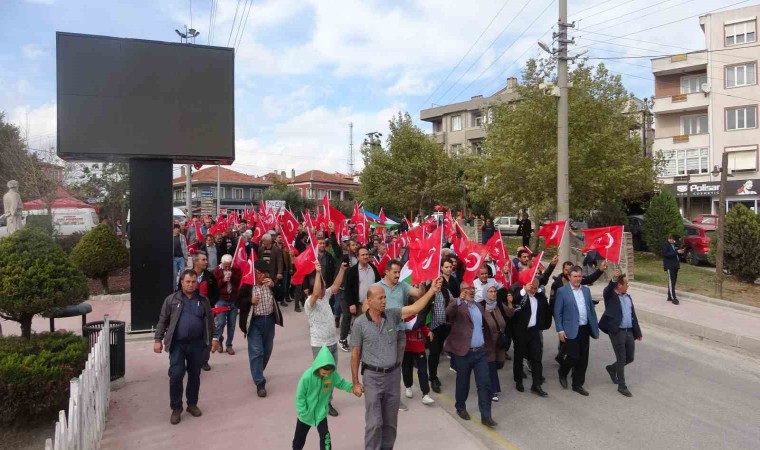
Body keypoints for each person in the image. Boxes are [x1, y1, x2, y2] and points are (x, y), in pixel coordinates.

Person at [350, 278, 442, 450]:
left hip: (392, 377)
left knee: (390, 425)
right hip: (372, 377)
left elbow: (415, 308)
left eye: (385, 297)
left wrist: (431, 291)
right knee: (374, 423)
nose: (384, 301)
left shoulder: (392, 315)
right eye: (380, 298)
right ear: (369, 301)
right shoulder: (360, 323)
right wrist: (355, 382)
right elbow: (355, 355)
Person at [153, 269, 217, 425]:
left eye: (193, 282)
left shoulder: (203, 301)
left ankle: (192, 404)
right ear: (181, 282)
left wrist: (214, 338)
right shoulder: (171, 300)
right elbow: (163, 321)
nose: (190, 284)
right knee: (176, 375)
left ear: (197, 283)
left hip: (197, 344)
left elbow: (210, 322)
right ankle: (176, 408)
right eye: (187, 281)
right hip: (177, 344)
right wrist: (157, 339)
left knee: (195, 375)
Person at [444, 280, 497, 428]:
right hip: (463, 353)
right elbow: (448, 313)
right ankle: (460, 406)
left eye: (473, 288)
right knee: (463, 382)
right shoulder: (456, 304)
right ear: (462, 290)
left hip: (480, 352)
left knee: (484, 384)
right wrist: (459, 300)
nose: (471, 291)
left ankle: (486, 416)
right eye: (468, 288)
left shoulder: (479, 306)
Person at [374, 259, 424, 412]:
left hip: (399, 333)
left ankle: (395, 399)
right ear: (386, 272)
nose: (397, 275)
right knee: (383, 367)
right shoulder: (376, 287)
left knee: (396, 368)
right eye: (395, 272)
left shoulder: (402, 286)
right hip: (383, 334)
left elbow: (419, 294)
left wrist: (421, 278)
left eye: (399, 272)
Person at [293, 346, 359, 450]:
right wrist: (303, 411)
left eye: (329, 373)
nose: (326, 375)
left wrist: (353, 388)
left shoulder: (331, 375)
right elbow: (300, 396)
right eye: (324, 373)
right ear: (318, 367)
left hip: (321, 413)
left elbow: (341, 383)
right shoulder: (307, 377)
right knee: (299, 439)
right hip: (305, 414)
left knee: (325, 438)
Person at [305, 260, 348, 416]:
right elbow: (316, 293)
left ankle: (327, 401)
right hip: (320, 346)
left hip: (331, 344)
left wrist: (342, 269)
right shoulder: (310, 303)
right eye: (322, 286)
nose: (325, 288)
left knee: (331, 376)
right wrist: (317, 272)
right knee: (322, 376)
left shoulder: (325, 296)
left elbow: (335, 286)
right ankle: (318, 401)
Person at [238, 260, 282, 397]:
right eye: (261, 273)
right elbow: (238, 302)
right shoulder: (247, 286)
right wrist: (249, 301)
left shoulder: (269, 283)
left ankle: (257, 370)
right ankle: (259, 382)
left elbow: (282, 295)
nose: (264, 275)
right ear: (255, 273)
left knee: (267, 350)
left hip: (269, 320)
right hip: (254, 323)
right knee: (257, 351)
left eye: (266, 272)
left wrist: (275, 286)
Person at [549, 259, 607, 363]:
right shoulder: (558, 285)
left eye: (579, 276)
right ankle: (562, 360)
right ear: (566, 274)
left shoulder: (582, 286)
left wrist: (600, 270)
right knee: (569, 351)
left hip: (581, 326)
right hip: (567, 324)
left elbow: (589, 279)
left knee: (581, 356)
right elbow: (554, 307)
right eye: (566, 270)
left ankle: (575, 373)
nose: (577, 278)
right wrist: (560, 327)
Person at [554, 266, 599, 396]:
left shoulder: (586, 291)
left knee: (583, 358)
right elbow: (558, 313)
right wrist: (560, 330)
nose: (578, 279)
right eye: (575, 276)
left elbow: (591, 309)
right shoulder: (562, 291)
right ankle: (562, 372)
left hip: (584, 328)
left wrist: (594, 327)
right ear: (569, 277)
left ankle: (577, 384)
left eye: (580, 276)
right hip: (570, 329)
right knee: (573, 356)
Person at [599, 269, 642, 397]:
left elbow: (633, 315)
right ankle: (622, 386)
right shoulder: (610, 296)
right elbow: (607, 290)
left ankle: (612, 368)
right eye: (626, 284)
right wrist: (614, 278)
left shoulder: (628, 297)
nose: (628, 286)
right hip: (617, 331)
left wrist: (637, 332)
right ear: (619, 285)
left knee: (630, 357)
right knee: (621, 358)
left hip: (629, 331)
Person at [507, 276, 551, 397]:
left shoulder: (539, 296)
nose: (533, 291)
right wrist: (523, 291)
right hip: (521, 332)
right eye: (531, 288)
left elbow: (546, 307)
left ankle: (536, 385)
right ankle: (518, 381)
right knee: (519, 356)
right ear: (527, 285)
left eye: (535, 288)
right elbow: (514, 302)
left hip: (534, 331)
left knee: (537, 358)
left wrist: (539, 291)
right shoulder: (520, 294)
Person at [341, 246, 381, 352]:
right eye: (362, 255)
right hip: (358, 305)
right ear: (358, 257)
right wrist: (351, 304)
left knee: (372, 327)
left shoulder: (373, 268)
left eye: (367, 254)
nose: (365, 256)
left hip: (373, 306)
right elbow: (348, 289)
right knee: (359, 327)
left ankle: (371, 347)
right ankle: (357, 348)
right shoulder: (352, 271)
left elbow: (379, 284)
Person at [428, 259, 455, 394]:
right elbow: (424, 311)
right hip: (433, 328)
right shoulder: (429, 292)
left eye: (440, 281)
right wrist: (427, 328)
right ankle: (433, 378)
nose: (439, 283)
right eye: (436, 281)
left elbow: (453, 302)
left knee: (439, 352)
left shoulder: (445, 291)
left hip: (444, 326)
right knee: (434, 353)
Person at [482, 285, 510, 402]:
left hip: (499, 343)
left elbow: (510, 314)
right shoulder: (481, 307)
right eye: (490, 292)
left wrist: (510, 303)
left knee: (499, 364)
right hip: (488, 344)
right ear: (485, 293)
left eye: (495, 291)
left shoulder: (498, 305)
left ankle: (489, 386)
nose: (493, 294)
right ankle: (492, 390)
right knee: (491, 366)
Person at [402, 311, 435, 405]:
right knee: (406, 368)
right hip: (407, 348)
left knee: (423, 371)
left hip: (419, 348)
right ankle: (408, 387)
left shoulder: (420, 316)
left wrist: (428, 332)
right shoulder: (405, 316)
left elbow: (423, 326)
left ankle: (425, 394)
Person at [213, 254, 242, 355]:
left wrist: (232, 275)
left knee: (232, 324)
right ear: (222, 263)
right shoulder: (216, 271)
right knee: (220, 323)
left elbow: (239, 282)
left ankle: (229, 344)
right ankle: (219, 340)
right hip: (221, 300)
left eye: (229, 265)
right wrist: (223, 280)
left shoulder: (235, 269)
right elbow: (214, 286)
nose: (227, 267)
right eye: (225, 265)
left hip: (233, 299)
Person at [257, 233, 286, 307]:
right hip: (263, 273)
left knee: (272, 287)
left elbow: (280, 261)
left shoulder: (276, 250)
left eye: (264, 240)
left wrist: (279, 272)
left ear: (269, 241)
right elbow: (258, 260)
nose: (262, 242)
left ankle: (273, 303)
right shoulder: (261, 249)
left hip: (272, 273)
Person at [662, 234, 684, 305]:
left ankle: (669, 296)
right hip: (669, 266)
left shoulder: (674, 245)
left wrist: (680, 252)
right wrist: (676, 252)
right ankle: (673, 298)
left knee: (673, 281)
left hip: (675, 265)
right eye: (673, 240)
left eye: (675, 240)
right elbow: (666, 254)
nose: (674, 241)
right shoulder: (665, 245)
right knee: (671, 281)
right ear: (670, 239)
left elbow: (676, 252)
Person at [172, 224, 189, 291]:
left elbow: (185, 247)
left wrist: (186, 258)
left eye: (178, 228)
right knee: (175, 274)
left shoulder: (182, 237)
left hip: (181, 258)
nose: (177, 229)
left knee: (183, 274)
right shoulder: (171, 237)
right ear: (173, 229)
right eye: (176, 228)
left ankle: (181, 288)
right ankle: (174, 289)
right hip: (174, 258)